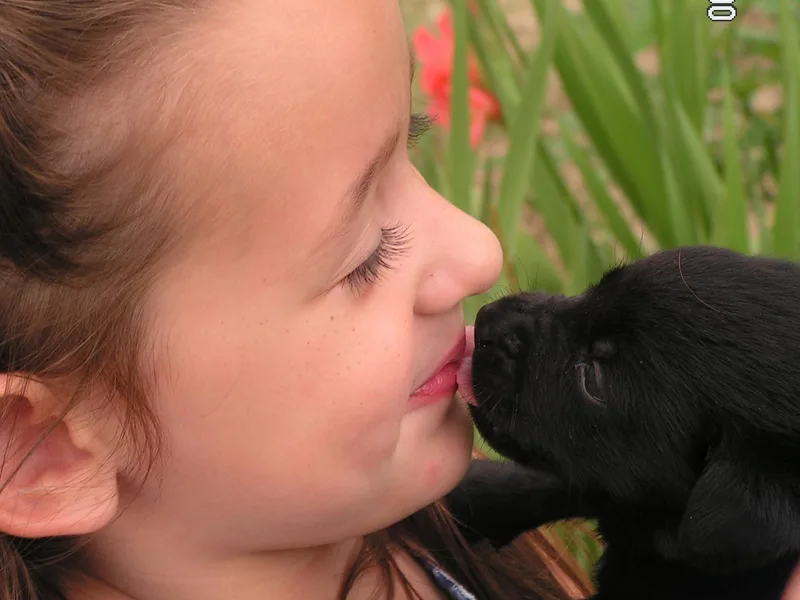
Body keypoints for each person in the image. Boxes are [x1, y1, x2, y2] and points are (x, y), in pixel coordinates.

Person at [0, 1, 597, 598]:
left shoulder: (472, 528)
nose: (480, 252)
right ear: (41, 450)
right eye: (365, 257)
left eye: (409, 148)